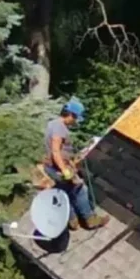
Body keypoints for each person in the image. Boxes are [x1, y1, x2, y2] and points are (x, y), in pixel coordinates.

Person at [43, 98, 110, 230]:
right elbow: (56, 151)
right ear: (71, 115)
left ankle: (72, 220)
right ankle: (91, 219)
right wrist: (64, 170)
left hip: (50, 166)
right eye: (75, 118)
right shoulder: (60, 128)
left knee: (64, 191)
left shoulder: (52, 123)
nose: (75, 122)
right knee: (80, 189)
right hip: (58, 168)